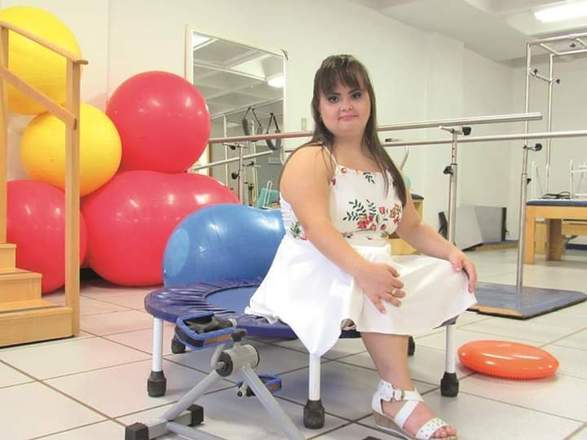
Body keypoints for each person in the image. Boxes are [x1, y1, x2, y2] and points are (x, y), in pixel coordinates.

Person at [246, 54, 477, 440]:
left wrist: (452, 253)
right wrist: (364, 271)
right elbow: (318, 229)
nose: (346, 106)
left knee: (445, 273)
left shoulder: (387, 167)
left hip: (369, 264)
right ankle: (396, 396)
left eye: (355, 95)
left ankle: (393, 382)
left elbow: (412, 226)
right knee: (377, 271)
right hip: (313, 265)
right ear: (319, 107)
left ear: (370, 100)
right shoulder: (311, 159)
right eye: (333, 98)